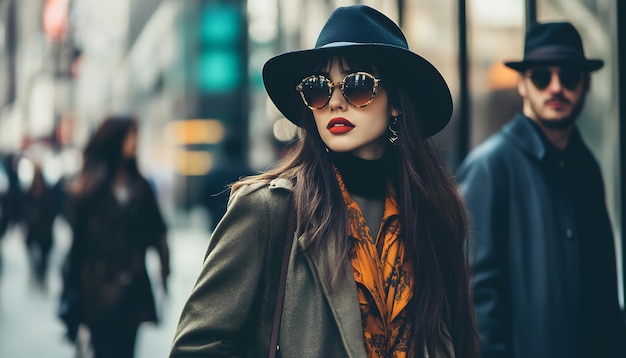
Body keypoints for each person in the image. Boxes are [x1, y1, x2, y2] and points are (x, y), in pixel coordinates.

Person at [170, 5, 478, 358]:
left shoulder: (434, 212)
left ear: (396, 103)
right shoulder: (269, 209)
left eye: (357, 85)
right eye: (318, 89)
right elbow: (196, 348)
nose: (334, 102)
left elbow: (460, 337)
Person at [456, 22, 626, 358]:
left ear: (586, 83)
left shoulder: (586, 168)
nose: (556, 87)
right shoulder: (490, 167)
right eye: (541, 77)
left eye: (569, 76)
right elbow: (475, 299)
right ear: (522, 84)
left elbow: (604, 291)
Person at [59, 115, 170, 358]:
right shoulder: (91, 189)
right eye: (130, 136)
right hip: (98, 291)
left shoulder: (141, 186)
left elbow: (158, 230)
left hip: (133, 289)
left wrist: (164, 266)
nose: (134, 142)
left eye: (135, 136)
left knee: (126, 352)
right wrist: (69, 291)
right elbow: (78, 246)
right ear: (115, 139)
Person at [201, 136, 254, 231]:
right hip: (243, 223)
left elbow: (205, 200)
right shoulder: (250, 174)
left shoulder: (214, 173)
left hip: (218, 222)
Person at [21, 161, 58, 286]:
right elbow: (25, 209)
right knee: (33, 254)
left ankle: (41, 276)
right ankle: (37, 274)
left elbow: (52, 211)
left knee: (44, 257)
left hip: (45, 231)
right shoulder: (30, 191)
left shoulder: (48, 192)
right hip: (34, 230)